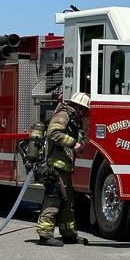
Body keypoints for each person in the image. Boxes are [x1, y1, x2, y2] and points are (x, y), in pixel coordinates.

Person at [36, 91, 91, 246]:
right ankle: (45, 235)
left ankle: (69, 234)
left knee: (67, 203)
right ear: (78, 107)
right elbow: (53, 133)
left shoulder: (72, 120)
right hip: (55, 167)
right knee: (53, 199)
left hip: (64, 168)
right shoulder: (63, 115)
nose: (84, 113)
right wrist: (74, 143)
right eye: (84, 110)